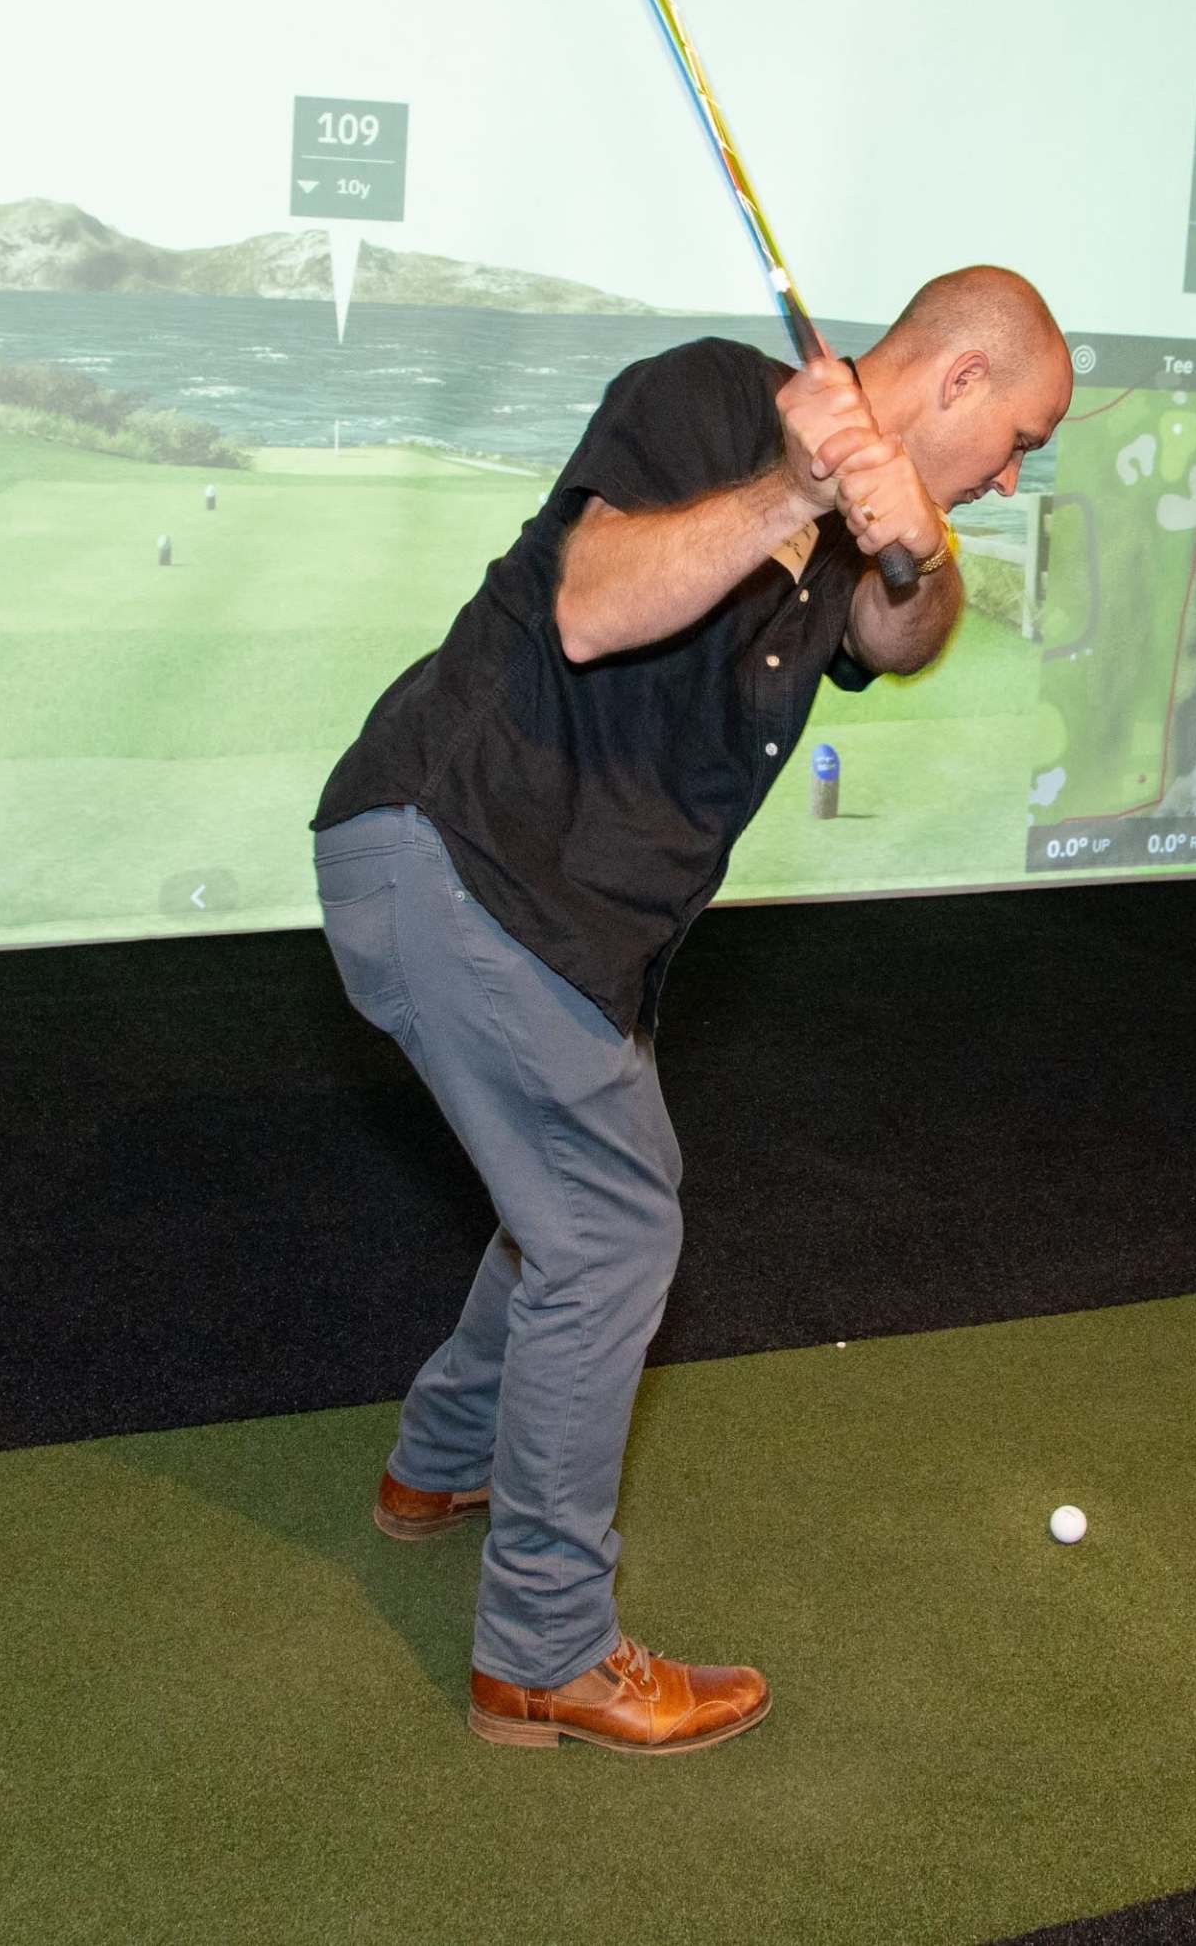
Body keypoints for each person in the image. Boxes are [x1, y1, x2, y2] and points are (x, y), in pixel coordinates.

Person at [310, 265, 1070, 1755]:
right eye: (1019, 436)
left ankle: (443, 1460)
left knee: (587, 1197)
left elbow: (900, 640)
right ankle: (546, 1652)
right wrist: (799, 481)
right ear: (961, 384)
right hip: (458, 852)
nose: (1015, 470)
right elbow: (592, 608)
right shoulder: (718, 398)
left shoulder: (875, 521)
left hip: (565, 925)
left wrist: (919, 557)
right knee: (614, 1228)